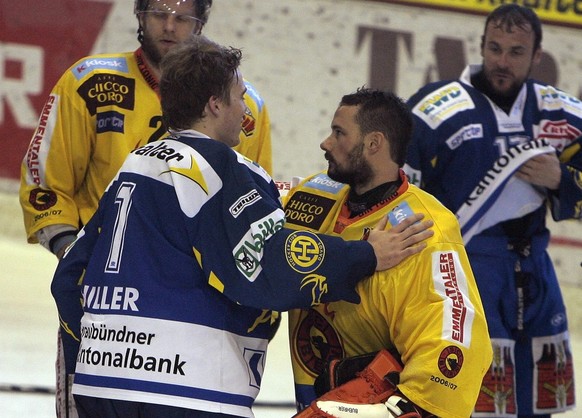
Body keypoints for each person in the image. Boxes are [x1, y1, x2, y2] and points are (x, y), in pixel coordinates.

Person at [50, 36, 435, 418]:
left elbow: (69, 278)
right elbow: (267, 264)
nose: (245, 111)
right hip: (187, 389)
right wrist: (367, 255)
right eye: (239, 97)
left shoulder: (135, 164)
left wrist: (96, 356)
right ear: (215, 105)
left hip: (99, 383)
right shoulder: (220, 169)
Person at [19, 1, 270, 416]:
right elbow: (45, 184)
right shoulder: (90, 81)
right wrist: (75, 254)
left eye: (182, 16)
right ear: (139, 15)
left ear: (202, 22)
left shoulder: (244, 107)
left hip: (192, 312)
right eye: (159, 13)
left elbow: (251, 209)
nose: (169, 26)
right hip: (106, 302)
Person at [404, 4, 582, 417]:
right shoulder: (434, 109)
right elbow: (396, 191)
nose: (502, 62)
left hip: (535, 268)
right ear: (482, 45)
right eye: (495, 48)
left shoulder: (559, 112)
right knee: (476, 402)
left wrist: (563, 180)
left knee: (542, 399)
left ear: (538, 55)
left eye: (516, 52)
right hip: (464, 270)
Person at [284, 88, 492, 418]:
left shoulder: (424, 229)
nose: (326, 143)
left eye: (339, 133)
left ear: (374, 143)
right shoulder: (310, 196)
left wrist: (390, 411)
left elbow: (455, 340)